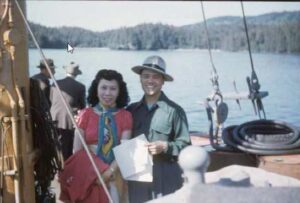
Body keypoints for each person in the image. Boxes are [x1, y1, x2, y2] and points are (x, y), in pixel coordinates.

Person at [59, 69, 132, 203]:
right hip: (89, 175)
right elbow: (78, 152)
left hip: (115, 175)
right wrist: (97, 174)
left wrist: (108, 173)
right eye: (103, 88)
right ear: (96, 89)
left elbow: (124, 150)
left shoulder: (126, 116)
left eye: (113, 89)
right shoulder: (84, 115)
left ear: (119, 91)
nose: (108, 93)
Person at [127, 55, 191, 202]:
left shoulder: (175, 111)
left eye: (156, 77)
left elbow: (187, 148)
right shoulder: (131, 110)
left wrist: (165, 146)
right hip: (138, 179)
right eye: (146, 76)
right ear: (140, 79)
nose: (150, 80)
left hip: (166, 177)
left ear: (163, 81)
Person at [50, 62, 86, 161]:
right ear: (77, 74)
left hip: (54, 119)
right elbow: (83, 107)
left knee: (55, 145)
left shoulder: (55, 83)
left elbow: (51, 100)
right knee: (68, 148)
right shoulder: (80, 87)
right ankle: (66, 168)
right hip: (69, 121)